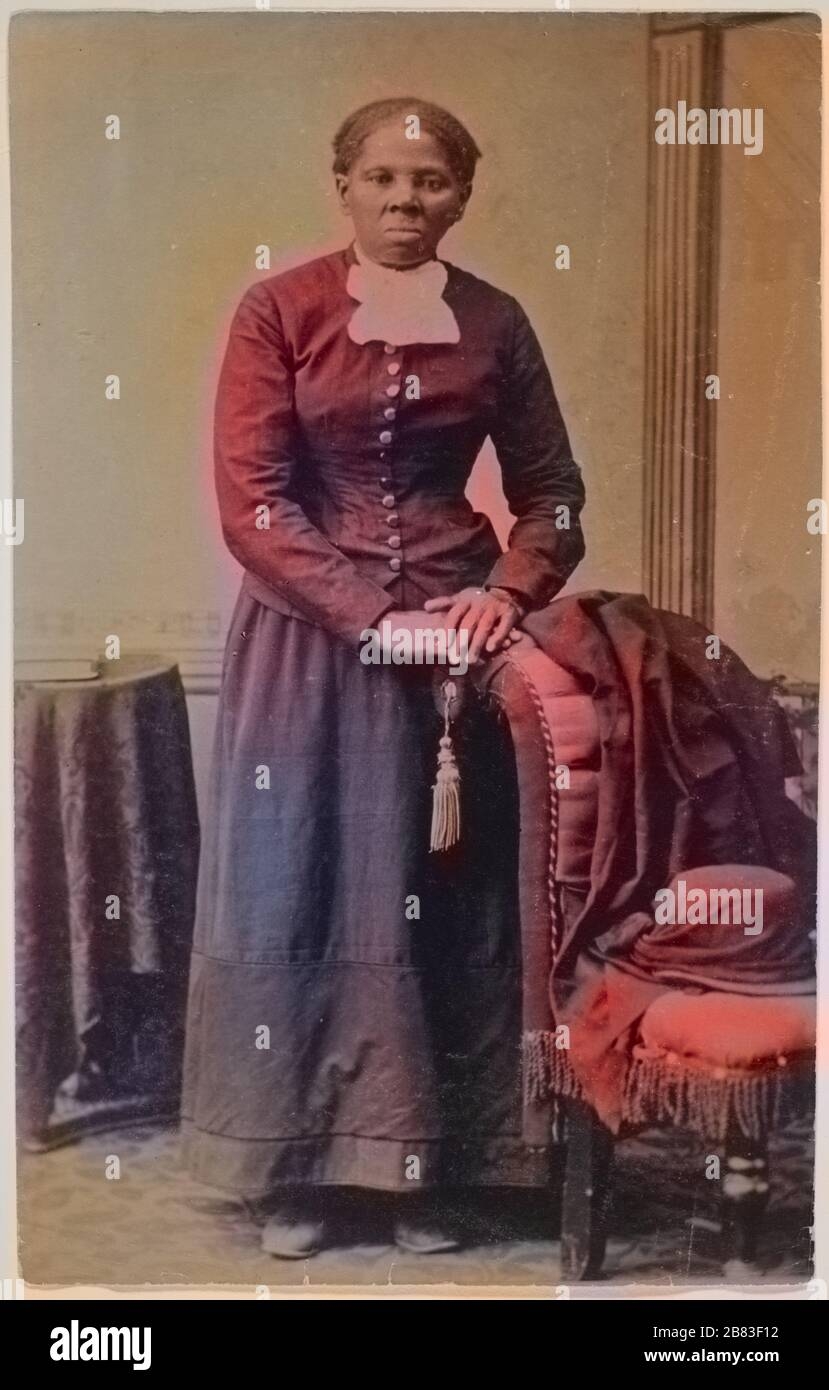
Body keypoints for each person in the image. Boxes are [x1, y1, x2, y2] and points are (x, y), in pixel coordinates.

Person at [181, 96, 586, 1258]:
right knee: (300, 884)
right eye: (384, 180)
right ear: (344, 186)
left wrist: (502, 592)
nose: (407, 202)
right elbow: (254, 504)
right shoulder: (281, 310)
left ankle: (426, 1166)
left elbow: (554, 491)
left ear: (462, 194)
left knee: (439, 893)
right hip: (309, 649)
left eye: (431, 183)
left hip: (454, 662)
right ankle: (297, 1172)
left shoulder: (495, 322)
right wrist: (372, 615)